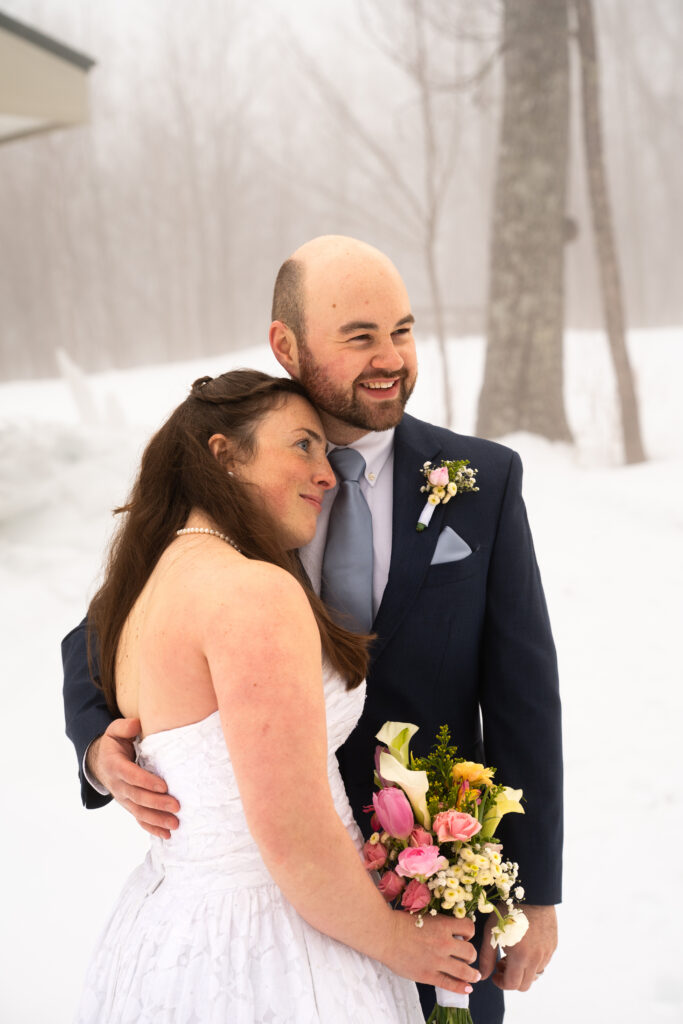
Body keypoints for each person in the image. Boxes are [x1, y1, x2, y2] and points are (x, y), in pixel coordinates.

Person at [63, 236, 563, 1023]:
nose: (389, 358)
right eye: (359, 337)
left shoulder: (482, 480)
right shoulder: (250, 469)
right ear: (286, 345)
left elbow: (521, 693)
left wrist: (533, 889)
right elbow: (106, 629)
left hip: (439, 879)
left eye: (401, 331)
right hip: (274, 904)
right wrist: (101, 748)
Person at [72, 369, 479, 1022]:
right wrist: (398, 944)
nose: (326, 474)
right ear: (224, 455)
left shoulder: (142, 589)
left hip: (171, 937)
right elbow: (293, 835)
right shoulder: (251, 592)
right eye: (303, 445)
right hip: (273, 946)